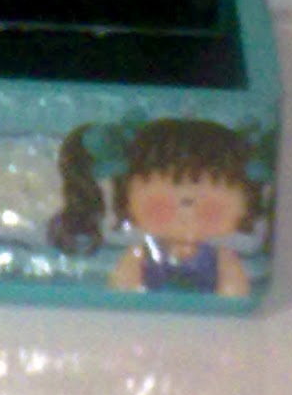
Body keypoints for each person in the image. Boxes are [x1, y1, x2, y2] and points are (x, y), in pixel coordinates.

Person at [47, 117, 269, 296]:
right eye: (170, 190)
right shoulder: (140, 254)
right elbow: (122, 290)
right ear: (126, 192)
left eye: (212, 190)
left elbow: (234, 293)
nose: (187, 206)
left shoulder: (222, 258)